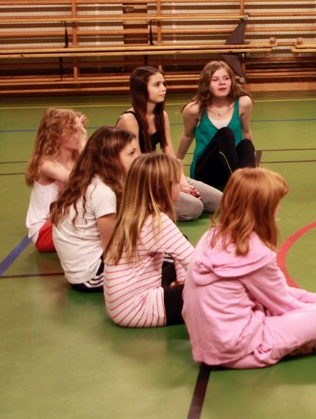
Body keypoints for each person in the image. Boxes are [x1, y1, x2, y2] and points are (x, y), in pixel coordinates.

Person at [184, 168, 316, 368]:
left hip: (208, 347)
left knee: (283, 307)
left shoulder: (212, 236)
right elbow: (285, 305)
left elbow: (275, 293)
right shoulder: (253, 251)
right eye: (276, 203)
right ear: (263, 209)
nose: (279, 208)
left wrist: (313, 299)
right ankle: (299, 344)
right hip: (241, 348)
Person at [102, 152, 195, 328]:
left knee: (179, 250)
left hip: (120, 306)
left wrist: (183, 280)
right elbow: (198, 265)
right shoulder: (156, 222)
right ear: (162, 190)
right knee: (213, 291)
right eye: (177, 182)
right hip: (136, 308)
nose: (181, 185)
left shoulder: (134, 214)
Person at [118, 65, 221, 222]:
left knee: (220, 201)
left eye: (163, 84)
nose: (163, 89)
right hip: (140, 181)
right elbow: (138, 165)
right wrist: (171, 186)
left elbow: (169, 153)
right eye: (157, 85)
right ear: (141, 89)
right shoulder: (129, 119)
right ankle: (142, 208)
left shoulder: (162, 115)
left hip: (160, 174)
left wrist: (182, 182)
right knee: (194, 208)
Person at [49, 127, 136, 292]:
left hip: (85, 268)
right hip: (90, 275)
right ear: (112, 159)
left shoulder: (90, 180)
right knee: (164, 260)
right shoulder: (102, 191)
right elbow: (112, 248)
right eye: (131, 154)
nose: (138, 158)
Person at [176, 61, 257, 192]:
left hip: (230, 167)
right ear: (206, 84)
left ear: (232, 82)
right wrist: (176, 163)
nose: (222, 83)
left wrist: (251, 165)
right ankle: (242, 186)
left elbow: (246, 132)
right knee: (225, 133)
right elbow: (187, 135)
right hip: (205, 170)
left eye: (226, 78)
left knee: (246, 144)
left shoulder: (243, 103)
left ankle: (248, 183)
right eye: (215, 79)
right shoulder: (194, 109)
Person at [24, 108, 86, 253]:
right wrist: (83, 142)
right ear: (56, 136)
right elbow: (75, 179)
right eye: (73, 131)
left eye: (79, 130)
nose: (78, 136)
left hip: (64, 221)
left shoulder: (76, 158)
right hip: (45, 231)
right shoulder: (45, 163)